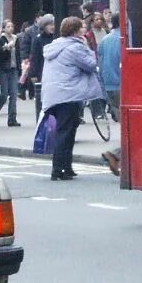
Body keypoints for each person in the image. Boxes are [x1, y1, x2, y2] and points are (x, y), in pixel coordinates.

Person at [39, 16, 103, 182]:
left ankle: (66, 167)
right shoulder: (75, 48)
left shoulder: (56, 45)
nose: (84, 30)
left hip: (55, 95)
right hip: (68, 94)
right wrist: (88, 46)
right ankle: (58, 169)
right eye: (81, 28)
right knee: (66, 132)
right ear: (75, 31)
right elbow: (90, 64)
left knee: (67, 130)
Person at [97, 20, 121, 176]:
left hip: (110, 87)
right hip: (124, 86)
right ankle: (115, 154)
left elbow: (100, 66)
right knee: (131, 129)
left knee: (125, 127)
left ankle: (117, 156)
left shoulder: (104, 41)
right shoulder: (124, 39)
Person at [25, 14, 56, 121]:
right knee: (43, 99)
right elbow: (34, 57)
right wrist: (33, 74)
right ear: (44, 26)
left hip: (55, 72)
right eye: (50, 25)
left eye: (53, 24)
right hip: (42, 72)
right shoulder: (38, 40)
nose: (52, 27)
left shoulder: (56, 38)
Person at [0, 20, 20, 127]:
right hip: (4, 69)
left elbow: (18, 54)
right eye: (8, 26)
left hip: (13, 69)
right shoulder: (0, 40)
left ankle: (12, 119)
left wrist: (20, 68)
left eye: (12, 26)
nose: (10, 28)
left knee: (13, 94)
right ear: (3, 28)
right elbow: (0, 55)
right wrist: (8, 47)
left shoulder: (16, 38)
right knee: (4, 94)